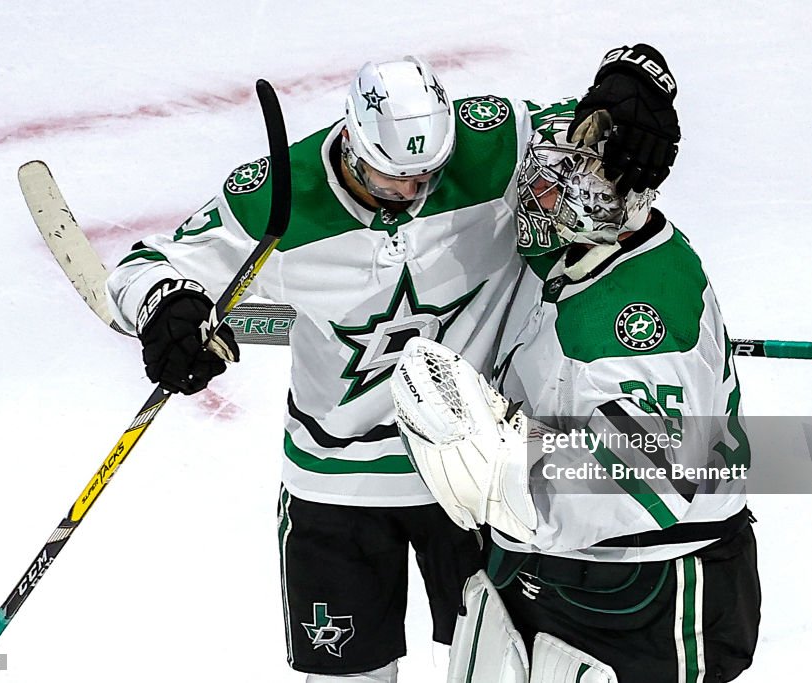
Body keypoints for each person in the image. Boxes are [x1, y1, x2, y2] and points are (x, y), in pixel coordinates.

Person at [105, 49, 681, 682]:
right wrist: (167, 309)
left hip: (469, 471)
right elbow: (141, 269)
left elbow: (598, 137)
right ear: (351, 140)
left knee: (498, 670)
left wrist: (635, 80)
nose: (412, 193)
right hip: (335, 480)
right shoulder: (275, 196)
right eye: (392, 179)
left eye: (428, 174)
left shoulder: (491, 139)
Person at [390, 46, 760, 683]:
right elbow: (632, 86)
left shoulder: (644, 315)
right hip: (548, 570)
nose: (538, 194)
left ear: (607, 208)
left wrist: (503, 470)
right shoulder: (576, 242)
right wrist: (633, 81)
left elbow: (654, 478)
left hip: (646, 589)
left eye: (562, 188)